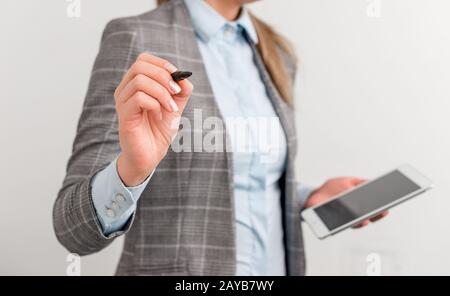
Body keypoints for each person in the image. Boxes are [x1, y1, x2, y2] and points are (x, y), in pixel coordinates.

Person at [53, 0, 387, 276]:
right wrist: (132, 169)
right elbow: (73, 231)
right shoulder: (135, 36)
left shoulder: (277, 52)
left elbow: (240, 177)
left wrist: (306, 196)